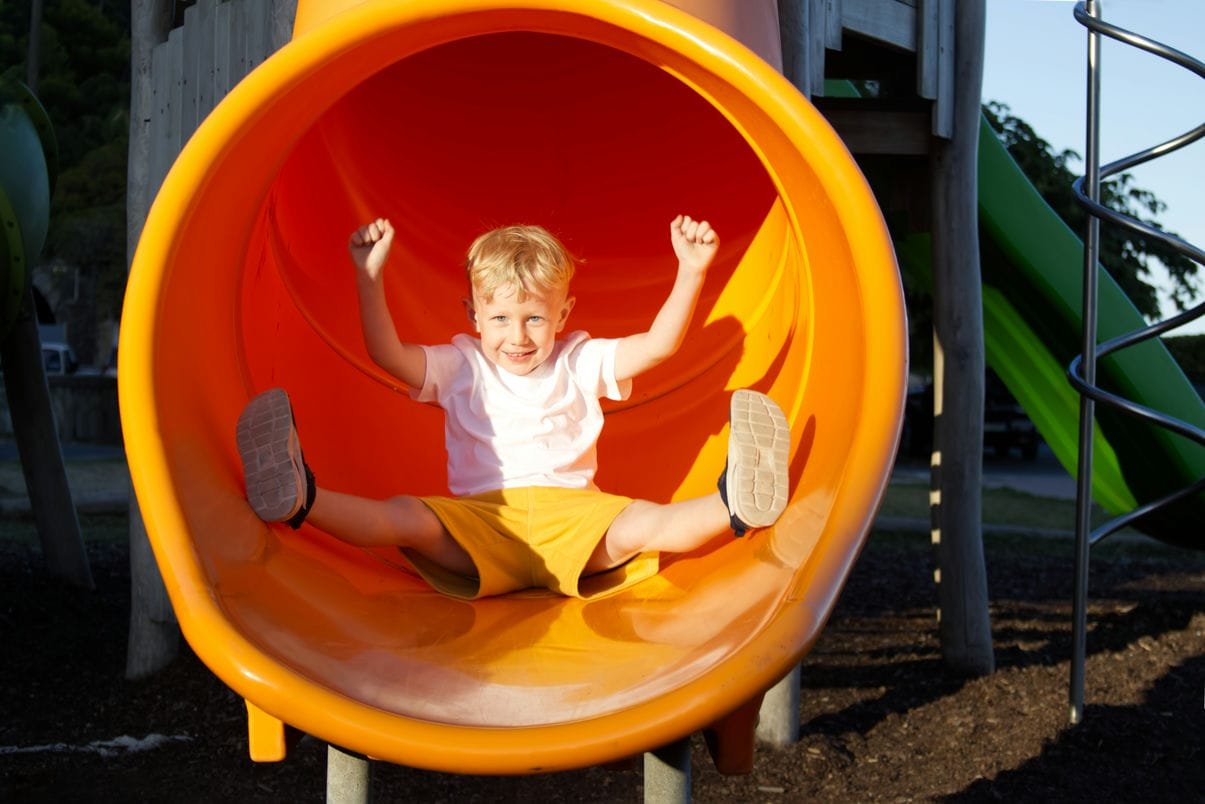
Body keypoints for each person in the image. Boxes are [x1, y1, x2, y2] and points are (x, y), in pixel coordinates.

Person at [236, 215, 790, 599]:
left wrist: (691, 271)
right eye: (500, 318)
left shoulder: (579, 360)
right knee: (404, 518)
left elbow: (657, 346)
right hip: (482, 523)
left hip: (576, 520)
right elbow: (387, 354)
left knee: (646, 523)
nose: (518, 336)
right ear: (474, 316)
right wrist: (369, 277)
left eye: (534, 318)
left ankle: (737, 503)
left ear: (563, 313)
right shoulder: (462, 365)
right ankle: (300, 497)